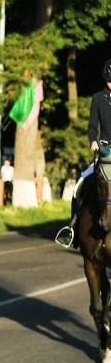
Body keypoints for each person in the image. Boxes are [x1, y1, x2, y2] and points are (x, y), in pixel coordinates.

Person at [56, 58, 111, 248]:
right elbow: (91, 126)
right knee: (79, 185)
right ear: (106, 80)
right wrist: (93, 141)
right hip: (104, 152)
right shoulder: (97, 98)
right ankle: (72, 231)